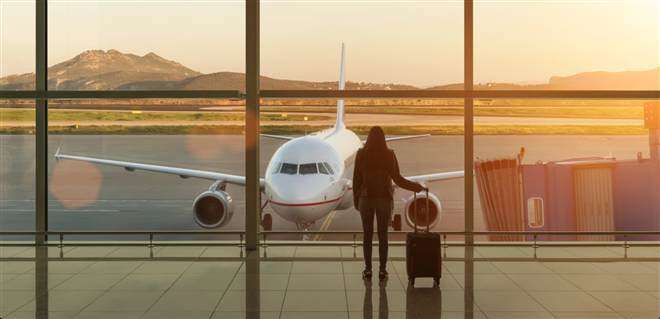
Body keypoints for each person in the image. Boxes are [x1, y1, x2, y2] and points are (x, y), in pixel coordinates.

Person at [353, 126, 428, 279]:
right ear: (383, 138)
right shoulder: (389, 155)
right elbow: (398, 179)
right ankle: (382, 270)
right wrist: (417, 187)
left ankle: (368, 270)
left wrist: (356, 200)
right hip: (383, 198)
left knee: (367, 236)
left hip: (365, 198)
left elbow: (356, 181)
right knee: (383, 236)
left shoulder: (361, 155)